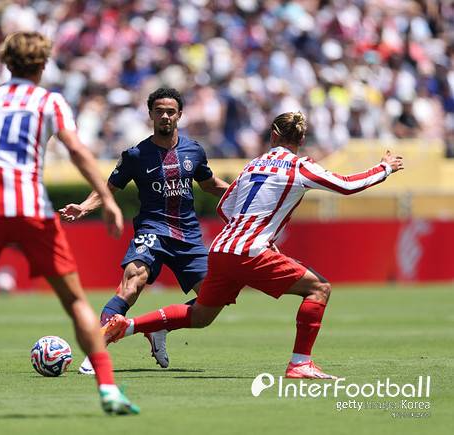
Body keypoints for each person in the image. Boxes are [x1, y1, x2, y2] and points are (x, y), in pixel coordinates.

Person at [101, 111, 405, 379]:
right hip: (251, 251)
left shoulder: (253, 165)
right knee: (319, 288)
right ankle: (300, 364)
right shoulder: (300, 166)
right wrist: (384, 168)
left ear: (273, 135)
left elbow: (225, 206)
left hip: (221, 248)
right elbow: (347, 185)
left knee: (202, 315)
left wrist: (244, 231)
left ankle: (127, 326)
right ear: (301, 139)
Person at [0, 31, 139, 416]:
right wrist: (106, 199)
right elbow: (77, 150)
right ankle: (108, 388)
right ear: (42, 65)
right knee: (75, 301)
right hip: (31, 207)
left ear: (6, 62)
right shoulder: (48, 101)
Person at [59, 87, 229, 374]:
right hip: (153, 229)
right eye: (159, 111)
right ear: (150, 114)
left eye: (170, 112)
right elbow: (109, 188)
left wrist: (243, 192)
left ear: (180, 115)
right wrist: (85, 207)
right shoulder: (136, 155)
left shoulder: (194, 151)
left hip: (187, 234)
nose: (165, 116)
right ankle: (97, 350)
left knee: (214, 299)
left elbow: (210, 185)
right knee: (132, 283)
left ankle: (159, 327)